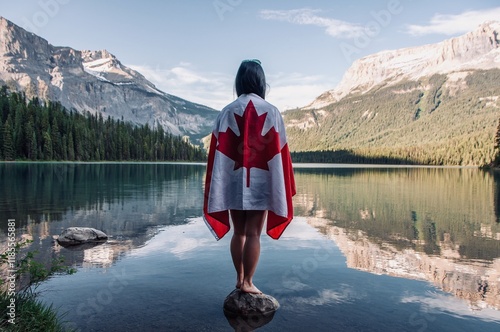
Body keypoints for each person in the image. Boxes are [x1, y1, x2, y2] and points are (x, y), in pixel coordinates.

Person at [203, 59, 296, 294]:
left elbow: (217, 152)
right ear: (261, 82)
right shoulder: (272, 111)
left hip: (233, 181)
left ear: (239, 81)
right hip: (262, 181)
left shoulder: (227, 111)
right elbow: (281, 154)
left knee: (239, 232)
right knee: (254, 232)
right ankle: (248, 283)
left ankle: (239, 279)